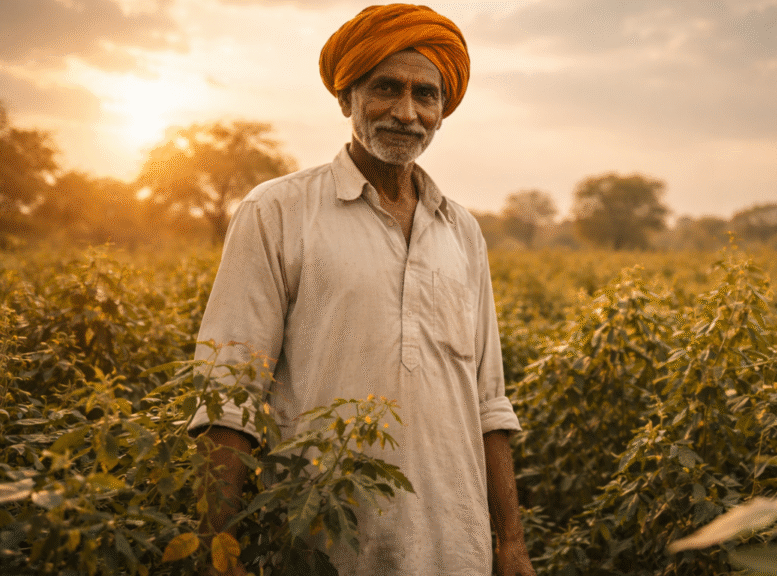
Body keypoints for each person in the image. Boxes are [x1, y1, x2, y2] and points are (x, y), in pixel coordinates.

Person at [189, 4, 535, 575]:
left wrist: (512, 543)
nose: (406, 113)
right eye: (386, 88)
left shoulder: (461, 231)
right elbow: (230, 395)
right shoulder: (277, 211)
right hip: (320, 545)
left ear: (442, 111)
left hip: (456, 546)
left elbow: (488, 402)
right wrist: (214, 550)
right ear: (346, 97)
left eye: (425, 95)